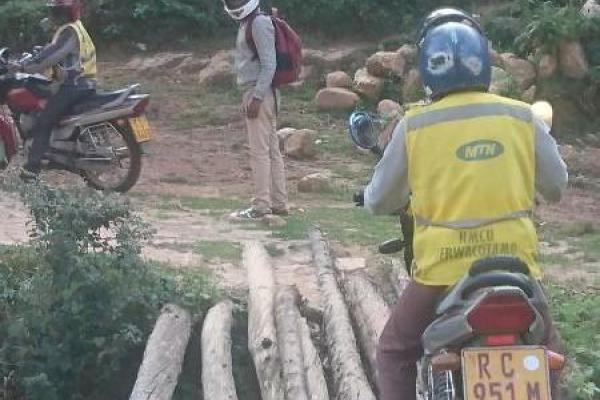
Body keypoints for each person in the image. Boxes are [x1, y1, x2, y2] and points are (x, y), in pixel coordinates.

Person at [363, 8, 569, 400]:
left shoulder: (416, 125)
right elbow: (557, 186)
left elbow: (378, 200)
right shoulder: (522, 117)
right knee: (551, 352)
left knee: (394, 350)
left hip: (441, 270)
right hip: (517, 267)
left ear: (427, 67)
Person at [15, 0, 96, 179]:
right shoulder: (76, 27)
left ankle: (31, 171)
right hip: (84, 83)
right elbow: (55, 49)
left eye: (58, 11)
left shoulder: (69, 31)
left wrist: (25, 67)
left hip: (73, 86)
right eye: (54, 11)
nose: (54, 15)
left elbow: (52, 55)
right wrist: (38, 53)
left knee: (43, 122)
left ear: (68, 12)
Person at [223, 0, 289, 219]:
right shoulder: (249, 22)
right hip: (261, 92)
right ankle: (279, 203)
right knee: (271, 151)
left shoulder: (258, 23)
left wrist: (257, 97)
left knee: (260, 152)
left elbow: (269, 64)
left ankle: (261, 206)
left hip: (258, 92)